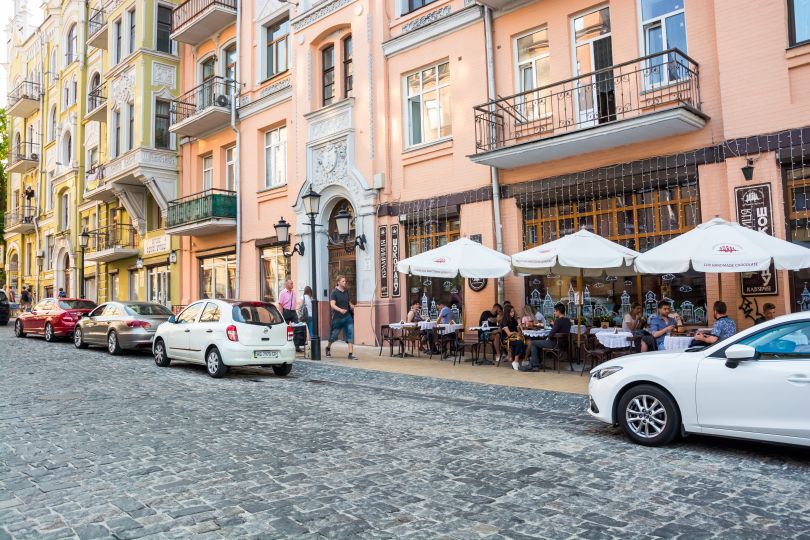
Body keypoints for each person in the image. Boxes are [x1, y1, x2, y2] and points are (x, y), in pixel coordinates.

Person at [525, 304, 572, 372]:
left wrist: (548, 338)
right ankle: (538, 363)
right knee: (539, 341)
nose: (554, 313)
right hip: (563, 343)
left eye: (555, 311)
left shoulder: (558, 321)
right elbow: (559, 330)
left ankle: (535, 365)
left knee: (533, 343)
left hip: (555, 343)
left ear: (558, 311)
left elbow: (552, 333)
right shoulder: (567, 320)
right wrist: (554, 325)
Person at [326, 275, 356, 360]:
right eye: (343, 281)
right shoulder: (334, 292)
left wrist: (351, 305)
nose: (345, 282)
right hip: (338, 318)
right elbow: (332, 305)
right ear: (338, 282)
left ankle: (350, 354)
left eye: (345, 281)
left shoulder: (346, 291)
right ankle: (328, 348)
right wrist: (340, 310)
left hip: (347, 317)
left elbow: (348, 301)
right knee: (334, 336)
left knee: (350, 334)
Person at [501, 305, 527, 370]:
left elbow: (520, 331)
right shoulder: (504, 321)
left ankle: (519, 361)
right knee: (519, 342)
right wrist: (516, 333)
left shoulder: (513, 320)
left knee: (524, 341)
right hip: (506, 339)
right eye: (511, 312)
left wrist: (519, 324)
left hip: (515, 337)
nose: (513, 313)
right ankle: (515, 361)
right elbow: (509, 334)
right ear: (507, 313)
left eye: (513, 311)